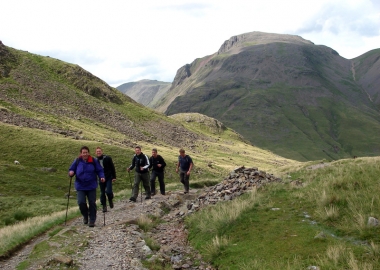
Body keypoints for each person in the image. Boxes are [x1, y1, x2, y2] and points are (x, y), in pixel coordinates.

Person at [68, 146, 105, 227]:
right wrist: (71, 172)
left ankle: (92, 220)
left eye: (86, 152)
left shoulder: (93, 161)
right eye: (83, 153)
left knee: (92, 203)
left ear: (89, 153)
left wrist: (102, 176)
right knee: (81, 202)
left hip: (91, 186)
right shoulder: (77, 161)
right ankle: (85, 215)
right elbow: (72, 169)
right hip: (80, 186)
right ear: (81, 153)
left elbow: (100, 170)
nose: (85, 154)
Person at [95, 146, 116, 213]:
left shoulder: (107, 158)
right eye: (97, 151)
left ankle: (110, 199)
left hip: (108, 177)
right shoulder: (95, 161)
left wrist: (114, 177)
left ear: (102, 152)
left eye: (99, 151)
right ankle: (104, 206)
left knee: (109, 191)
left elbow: (112, 167)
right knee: (102, 193)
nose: (98, 152)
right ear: (96, 153)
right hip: (100, 178)